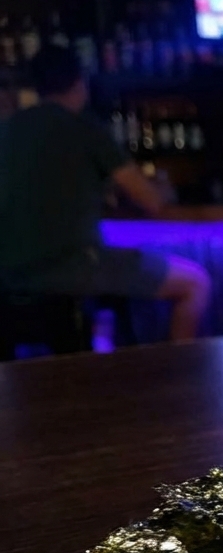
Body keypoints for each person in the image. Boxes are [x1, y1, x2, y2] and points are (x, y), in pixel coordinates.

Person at [0, 45, 210, 342]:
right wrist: (161, 187)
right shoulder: (84, 128)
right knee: (195, 283)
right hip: (73, 266)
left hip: (10, 276)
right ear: (80, 82)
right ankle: (178, 371)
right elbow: (151, 202)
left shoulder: (8, 129)